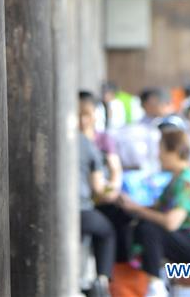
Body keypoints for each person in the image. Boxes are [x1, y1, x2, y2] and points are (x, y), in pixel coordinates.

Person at [111, 129, 190, 297]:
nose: (158, 156)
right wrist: (130, 206)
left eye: (161, 150)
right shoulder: (176, 180)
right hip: (187, 239)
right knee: (140, 223)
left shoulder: (188, 182)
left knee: (150, 230)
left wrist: (136, 209)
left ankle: (155, 285)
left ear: (174, 152)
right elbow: (156, 208)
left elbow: (171, 222)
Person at [79, 96, 117, 295]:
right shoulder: (88, 145)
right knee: (107, 231)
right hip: (80, 211)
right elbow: (100, 189)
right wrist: (115, 191)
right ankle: (101, 281)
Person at [80, 91, 123, 195]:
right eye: (78, 114)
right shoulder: (69, 141)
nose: (82, 120)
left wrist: (108, 192)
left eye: (87, 114)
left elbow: (115, 171)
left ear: (96, 113)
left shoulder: (104, 139)